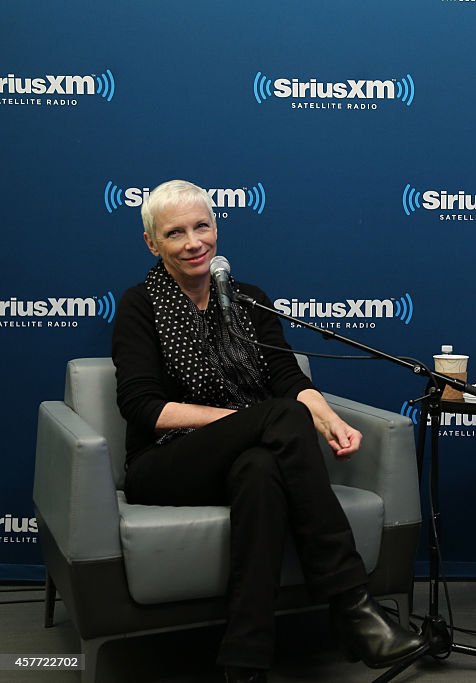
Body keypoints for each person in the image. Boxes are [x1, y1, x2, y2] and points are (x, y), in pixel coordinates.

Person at [112, 179, 428, 683]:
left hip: (249, 454)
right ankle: (352, 607)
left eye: (203, 226)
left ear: (216, 228)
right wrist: (248, 422)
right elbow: (143, 407)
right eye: (176, 233)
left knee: (260, 469)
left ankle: (244, 661)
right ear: (152, 243)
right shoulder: (139, 306)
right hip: (165, 463)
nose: (195, 242)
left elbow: (288, 379)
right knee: (279, 418)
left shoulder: (249, 300)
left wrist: (332, 422)